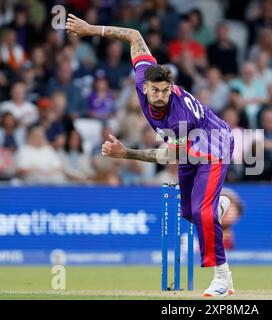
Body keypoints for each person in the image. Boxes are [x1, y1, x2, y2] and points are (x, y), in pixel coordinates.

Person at [66, 13, 235, 297]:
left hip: (214, 143)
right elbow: (134, 35)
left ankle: (223, 278)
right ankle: (216, 210)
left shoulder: (177, 118)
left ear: (171, 90)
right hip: (191, 146)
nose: (159, 96)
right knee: (189, 213)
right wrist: (90, 29)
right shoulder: (144, 75)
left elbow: (166, 156)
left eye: (165, 91)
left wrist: (125, 153)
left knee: (202, 212)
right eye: (154, 90)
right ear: (144, 85)